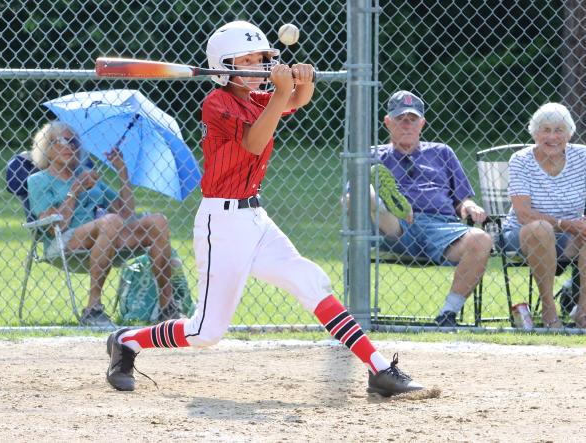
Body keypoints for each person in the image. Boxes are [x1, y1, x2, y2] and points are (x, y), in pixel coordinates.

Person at [105, 20, 423, 396]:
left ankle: (379, 367)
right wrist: (281, 92)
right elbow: (255, 141)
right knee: (206, 332)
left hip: (255, 218)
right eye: (251, 60)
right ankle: (126, 340)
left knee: (310, 282)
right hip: (221, 224)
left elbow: (296, 100)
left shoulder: (255, 98)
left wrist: (303, 81)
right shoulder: (216, 104)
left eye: (263, 58)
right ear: (227, 66)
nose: (260, 65)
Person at [28, 121, 175, 327]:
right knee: (111, 222)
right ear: (47, 147)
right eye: (64, 141)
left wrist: (122, 172)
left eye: (75, 143)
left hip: (107, 237)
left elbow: (126, 213)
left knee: (158, 221)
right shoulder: (38, 181)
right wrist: (75, 190)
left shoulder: (88, 178)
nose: (71, 147)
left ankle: (167, 307)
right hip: (64, 241)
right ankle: (93, 308)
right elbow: (56, 228)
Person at [368, 90, 492, 327]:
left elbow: (462, 199)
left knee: (481, 239)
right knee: (365, 194)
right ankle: (390, 204)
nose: (407, 124)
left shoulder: (442, 152)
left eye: (412, 119)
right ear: (387, 122)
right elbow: (351, 197)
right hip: (395, 229)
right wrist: (375, 199)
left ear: (422, 123)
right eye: (400, 119)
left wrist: (471, 206)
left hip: (442, 229)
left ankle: (447, 314)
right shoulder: (374, 155)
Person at [502, 102, 586, 328]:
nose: (552, 137)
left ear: (569, 133)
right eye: (545, 130)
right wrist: (565, 223)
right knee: (541, 228)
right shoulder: (521, 160)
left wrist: (578, 225)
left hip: (570, 236)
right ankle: (549, 311)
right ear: (534, 132)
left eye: (559, 130)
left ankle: (583, 312)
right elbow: (523, 213)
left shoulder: (583, 157)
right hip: (524, 233)